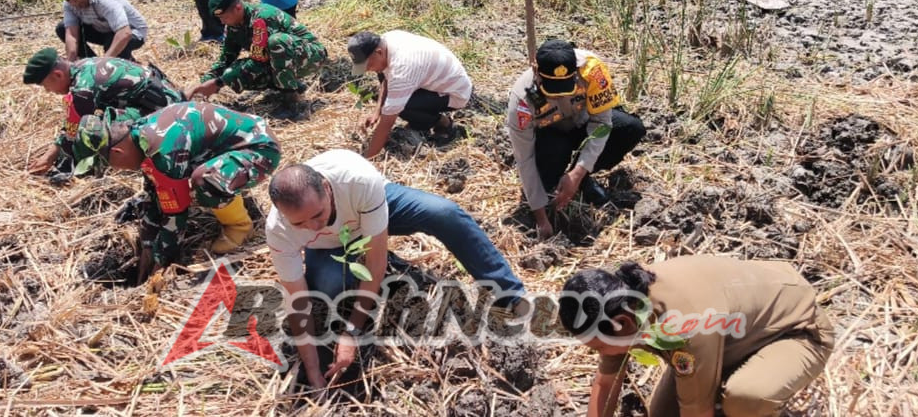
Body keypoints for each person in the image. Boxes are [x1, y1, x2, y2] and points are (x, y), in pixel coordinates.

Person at [265, 149, 526, 387]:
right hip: (329, 247)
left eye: (318, 215)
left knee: (444, 214)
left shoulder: (356, 179)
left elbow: (375, 264)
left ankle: (512, 294)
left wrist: (352, 331)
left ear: (326, 187)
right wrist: (312, 373)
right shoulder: (278, 230)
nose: (313, 226)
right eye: (300, 224)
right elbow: (297, 302)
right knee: (329, 287)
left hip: (368, 208)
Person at [558, 256, 834, 417]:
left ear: (621, 324)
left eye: (599, 346)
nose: (600, 353)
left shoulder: (685, 326)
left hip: (794, 332)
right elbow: (606, 384)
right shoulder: (622, 304)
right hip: (729, 342)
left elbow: (697, 411)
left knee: (745, 398)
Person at [73, 101, 280, 283]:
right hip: (232, 146)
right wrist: (147, 244)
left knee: (206, 182)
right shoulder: (140, 137)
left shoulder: (164, 151)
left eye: (110, 165)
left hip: (259, 149)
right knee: (189, 181)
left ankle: (240, 226)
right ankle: (229, 188)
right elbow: (155, 193)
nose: (116, 169)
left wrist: (161, 259)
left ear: (117, 152)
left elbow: (176, 214)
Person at [506, 39, 645, 238]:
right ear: (536, 71)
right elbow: (524, 158)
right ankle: (552, 185)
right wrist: (541, 218)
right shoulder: (522, 99)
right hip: (550, 138)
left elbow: (602, 124)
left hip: (582, 125)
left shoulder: (592, 70)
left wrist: (578, 173)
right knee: (556, 150)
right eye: (553, 87)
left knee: (630, 128)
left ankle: (581, 181)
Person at [22, 48, 184, 177]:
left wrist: (50, 159)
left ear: (58, 75)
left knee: (95, 130)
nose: (48, 91)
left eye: (46, 86)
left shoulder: (83, 88)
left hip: (166, 112)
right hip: (162, 99)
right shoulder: (82, 66)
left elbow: (74, 130)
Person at [185, 0, 325, 115]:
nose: (222, 22)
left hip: (310, 56)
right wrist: (203, 84)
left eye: (225, 17)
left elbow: (260, 62)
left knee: (276, 43)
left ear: (238, 8)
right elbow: (226, 58)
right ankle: (292, 85)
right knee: (236, 70)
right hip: (283, 60)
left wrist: (220, 82)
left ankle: (292, 102)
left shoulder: (262, 18)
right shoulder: (234, 26)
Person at [348, 30, 470, 158]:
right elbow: (387, 78)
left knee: (402, 106)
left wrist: (368, 158)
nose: (367, 70)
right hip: (432, 80)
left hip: (455, 92)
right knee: (382, 74)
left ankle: (442, 123)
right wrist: (377, 111)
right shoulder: (386, 40)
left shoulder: (402, 68)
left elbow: (387, 121)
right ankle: (422, 117)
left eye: (369, 65)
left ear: (378, 52)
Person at [53, 0, 148, 61]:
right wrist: (70, 63)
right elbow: (72, 35)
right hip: (103, 29)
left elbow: (125, 33)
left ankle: (121, 65)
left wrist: (103, 62)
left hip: (133, 32)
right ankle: (89, 65)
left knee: (112, 43)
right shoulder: (69, 4)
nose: (73, 3)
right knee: (62, 29)